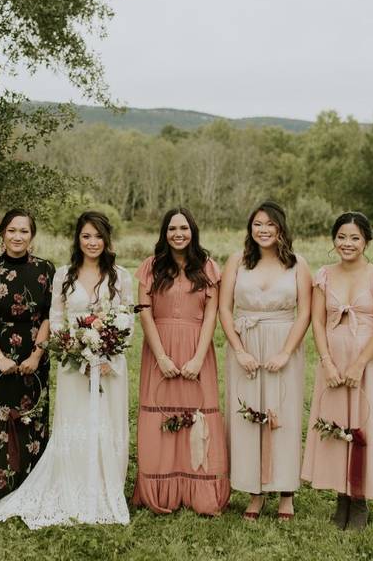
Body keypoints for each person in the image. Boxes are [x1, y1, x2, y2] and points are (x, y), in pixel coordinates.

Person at [0, 211, 133, 528]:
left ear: (107, 239)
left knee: (106, 423)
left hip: (109, 368)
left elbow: (127, 321)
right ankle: (72, 488)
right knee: (75, 424)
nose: (92, 242)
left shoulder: (121, 276)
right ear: (78, 239)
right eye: (86, 236)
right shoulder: (63, 275)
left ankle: (104, 488)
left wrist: (105, 357)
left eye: (98, 236)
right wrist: (77, 351)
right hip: (73, 365)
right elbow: (56, 320)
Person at [301, 212, 373, 530]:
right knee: (335, 426)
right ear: (334, 240)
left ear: (366, 241)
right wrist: (327, 362)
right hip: (332, 364)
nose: (347, 243)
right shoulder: (323, 276)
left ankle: (360, 499)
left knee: (364, 425)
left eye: (355, 238)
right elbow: (317, 321)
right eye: (342, 237)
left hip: (367, 365)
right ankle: (341, 497)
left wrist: (359, 364)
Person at [132, 207, 229, 516]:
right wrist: (160, 356)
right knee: (160, 416)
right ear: (165, 233)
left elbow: (212, 314)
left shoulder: (209, 268)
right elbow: (143, 310)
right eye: (172, 228)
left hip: (196, 348)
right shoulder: (150, 267)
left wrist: (199, 357)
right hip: (159, 347)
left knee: (198, 415)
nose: (178, 234)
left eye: (184, 228)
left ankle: (198, 489)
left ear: (193, 231)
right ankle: (162, 489)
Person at [219, 201, 311, 521]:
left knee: (282, 414)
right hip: (245, 345)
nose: (263, 230)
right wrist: (239, 349)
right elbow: (224, 310)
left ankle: (286, 491)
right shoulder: (237, 261)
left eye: (269, 224)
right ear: (250, 228)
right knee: (247, 416)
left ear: (281, 228)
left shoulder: (298, 264)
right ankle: (254, 491)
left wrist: (286, 351)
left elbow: (306, 313)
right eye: (257, 224)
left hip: (283, 343)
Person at [0, 209, 55, 514]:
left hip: (33, 356)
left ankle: (29, 493)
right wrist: (0, 357)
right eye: (12, 231)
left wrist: (37, 354)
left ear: (32, 236)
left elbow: (49, 316)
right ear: (2, 233)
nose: (18, 237)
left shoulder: (46, 269)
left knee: (31, 420)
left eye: (24, 231)